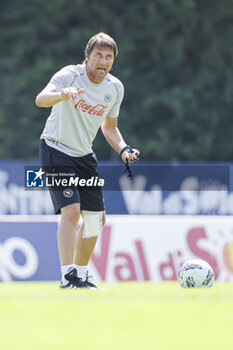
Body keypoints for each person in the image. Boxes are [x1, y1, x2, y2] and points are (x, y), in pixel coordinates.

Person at [36, 32, 140, 289]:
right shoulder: (69, 75)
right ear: (87, 56)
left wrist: (123, 148)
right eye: (98, 55)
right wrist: (62, 95)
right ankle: (67, 277)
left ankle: (81, 277)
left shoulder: (115, 88)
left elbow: (110, 127)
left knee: (96, 219)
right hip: (55, 149)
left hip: (83, 156)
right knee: (71, 212)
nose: (103, 61)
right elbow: (41, 99)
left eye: (109, 57)